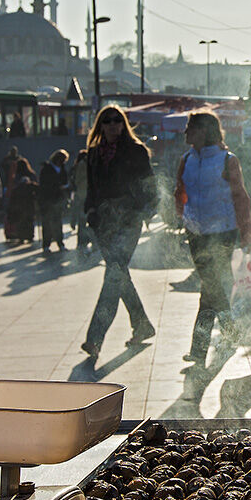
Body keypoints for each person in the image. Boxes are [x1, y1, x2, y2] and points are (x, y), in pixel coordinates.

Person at [177, 110, 251, 366]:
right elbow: (180, 191)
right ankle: (229, 333)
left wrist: (247, 233)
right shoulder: (186, 159)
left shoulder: (227, 160)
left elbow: (241, 197)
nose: (186, 132)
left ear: (203, 131)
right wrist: (182, 215)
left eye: (190, 127)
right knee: (211, 287)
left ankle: (199, 348)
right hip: (196, 233)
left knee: (210, 285)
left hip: (222, 232)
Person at [81, 106, 157, 359]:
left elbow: (149, 183)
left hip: (128, 220)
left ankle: (95, 339)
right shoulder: (93, 154)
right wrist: (91, 211)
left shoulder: (136, 151)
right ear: (100, 125)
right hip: (103, 222)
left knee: (114, 275)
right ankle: (142, 325)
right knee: (119, 274)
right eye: (107, 121)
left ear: (124, 124)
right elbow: (91, 189)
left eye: (117, 120)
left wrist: (146, 210)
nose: (113, 125)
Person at [38, 149, 70, 253]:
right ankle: (46, 245)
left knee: (58, 223)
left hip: (58, 199)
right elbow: (43, 184)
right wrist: (57, 187)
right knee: (47, 223)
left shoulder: (62, 169)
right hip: (48, 198)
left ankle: (60, 243)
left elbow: (65, 181)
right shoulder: (46, 169)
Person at [3, 157, 37, 242]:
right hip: (29, 201)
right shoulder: (31, 174)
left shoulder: (16, 176)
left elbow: (13, 187)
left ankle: (21, 236)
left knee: (20, 219)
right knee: (29, 219)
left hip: (19, 201)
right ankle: (29, 235)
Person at [68, 148, 93, 252]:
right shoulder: (84, 165)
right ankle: (84, 241)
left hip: (82, 194)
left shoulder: (79, 165)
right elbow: (79, 180)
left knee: (82, 219)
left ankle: (82, 242)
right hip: (84, 194)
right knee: (85, 219)